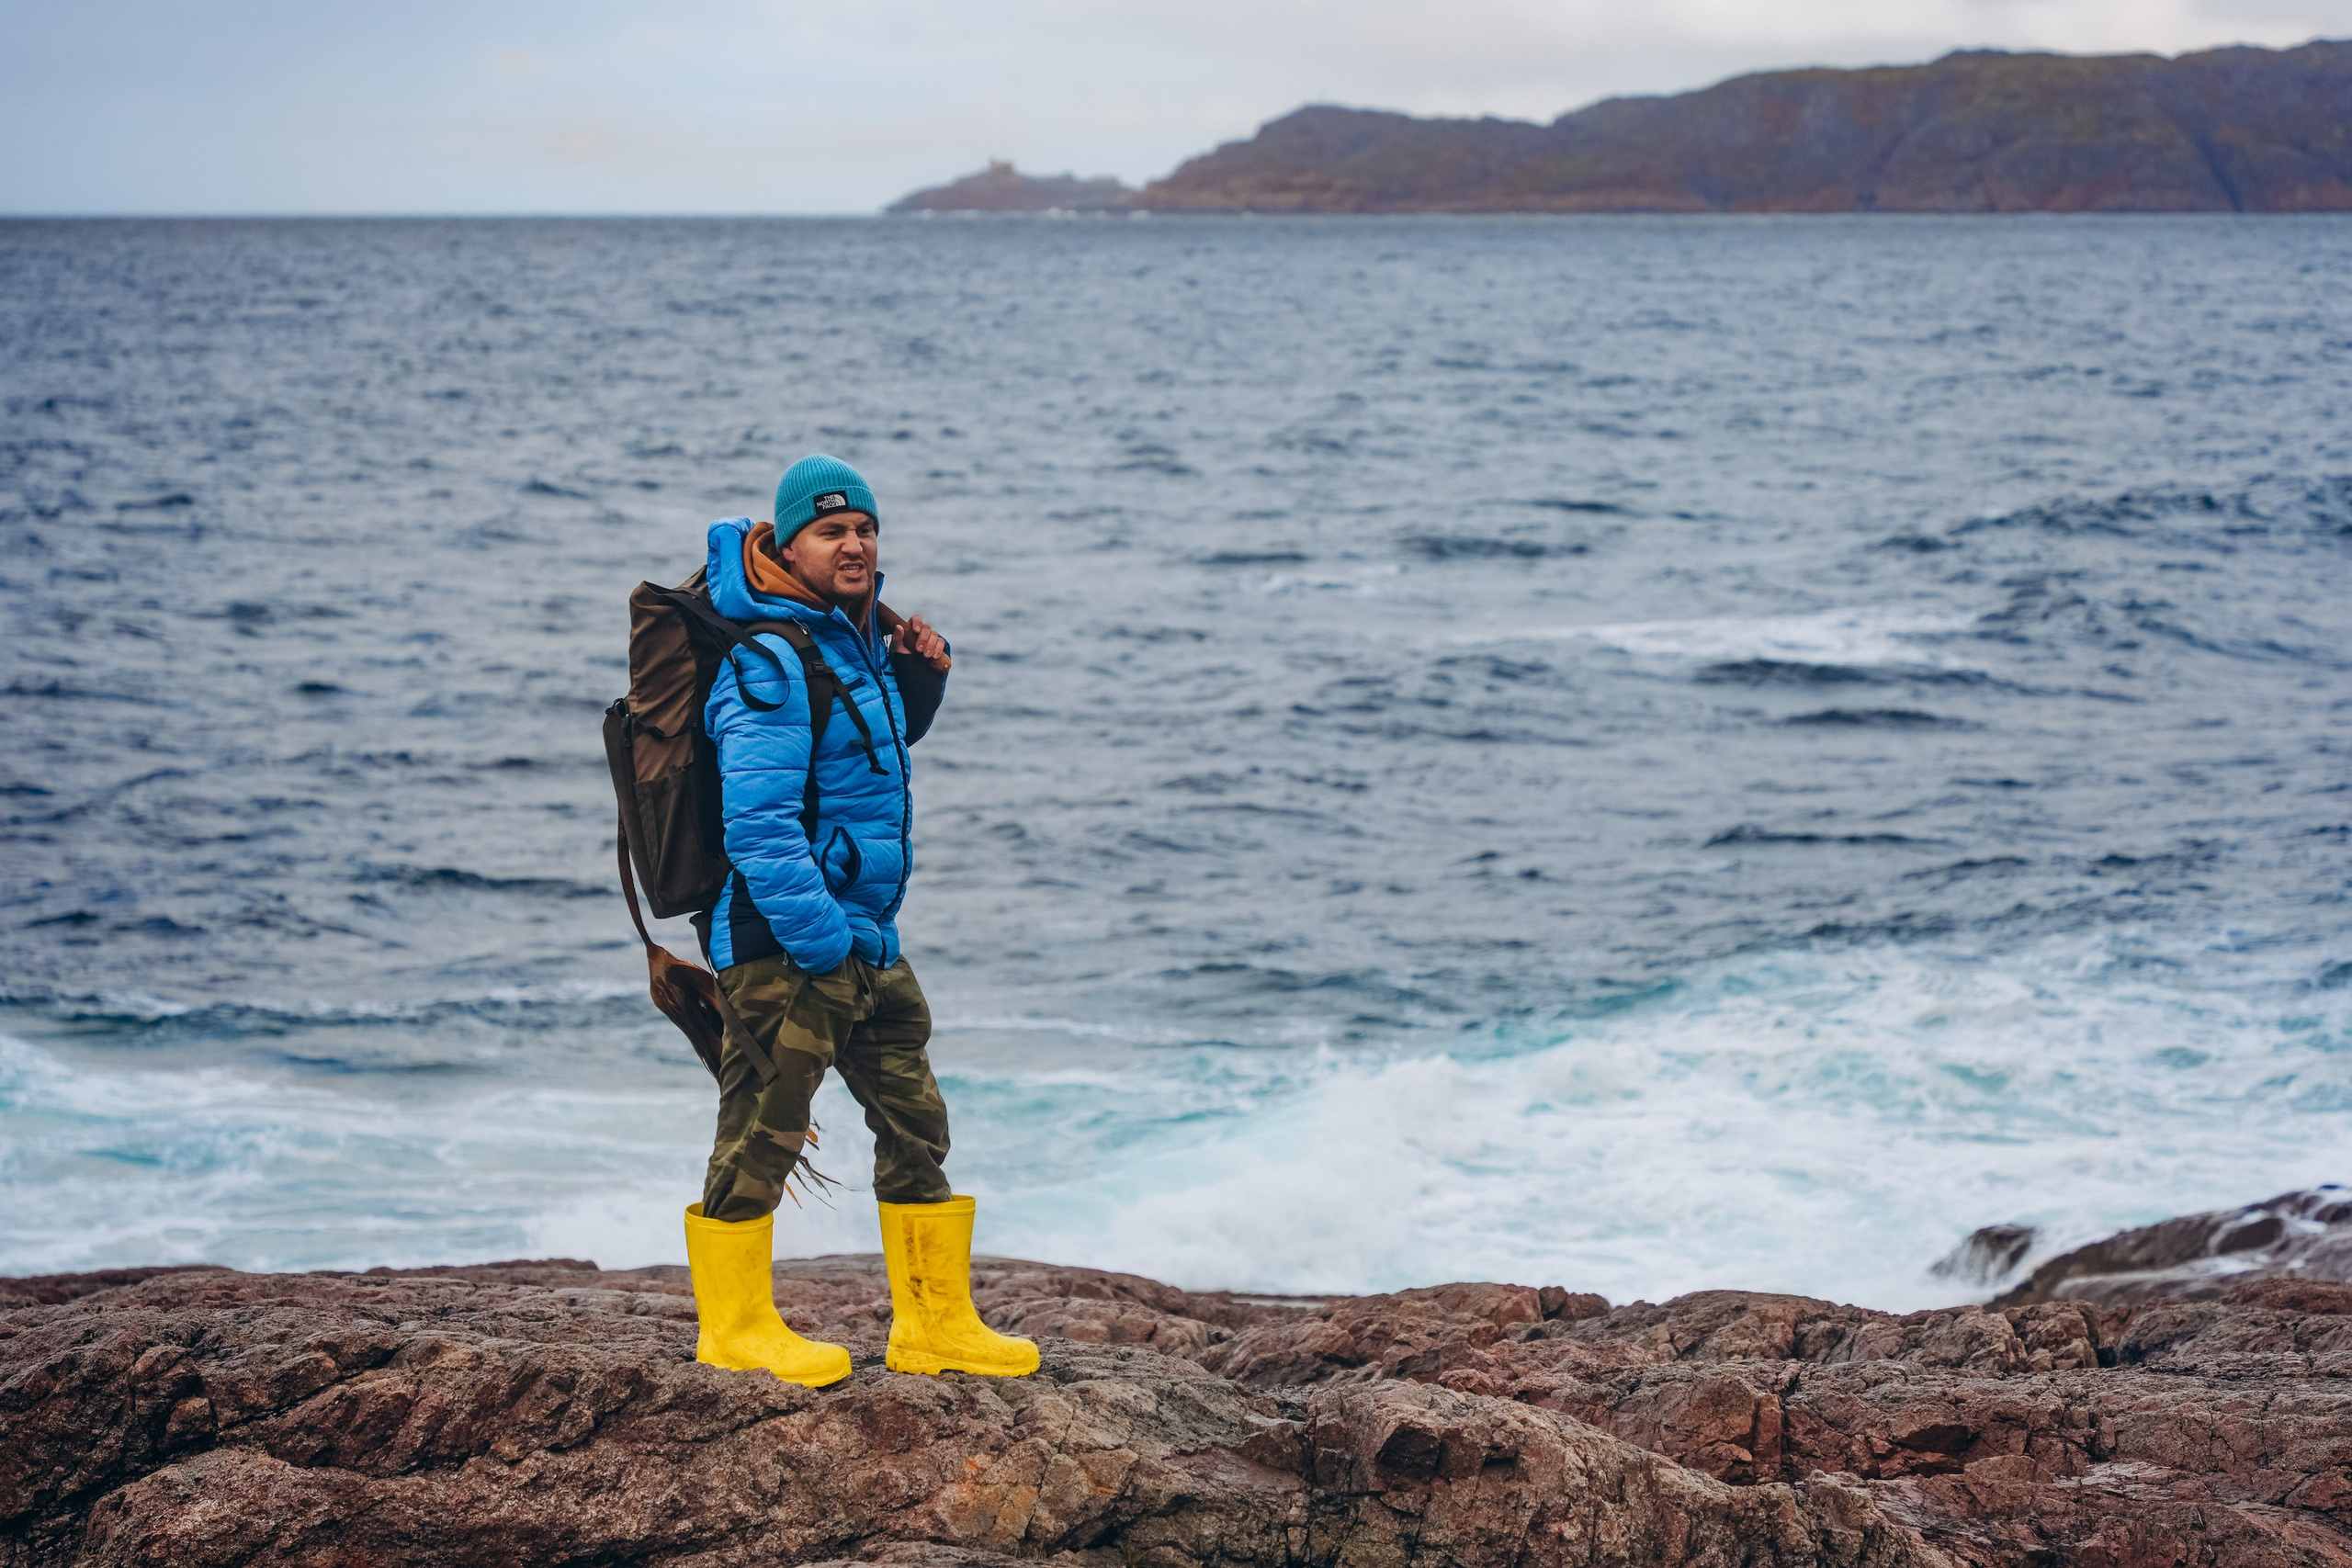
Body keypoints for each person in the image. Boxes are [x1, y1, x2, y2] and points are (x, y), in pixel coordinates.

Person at [679, 454, 1037, 1388]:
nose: (854, 544)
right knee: (762, 1131)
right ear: (787, 546)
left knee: (916, 1122)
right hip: (784, 941)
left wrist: (921, 683)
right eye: (832, 531)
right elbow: (756, 827)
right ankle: (736, 1329)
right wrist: (822, 943)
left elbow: (862, 760)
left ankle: (934, 1323)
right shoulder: (765, 660)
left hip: (862, 937)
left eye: (865, 529)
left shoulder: (853, 645)